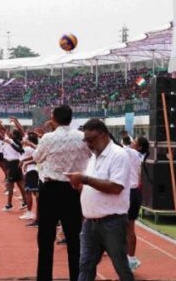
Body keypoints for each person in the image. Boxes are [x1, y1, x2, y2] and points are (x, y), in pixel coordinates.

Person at [65, 119, 134, 281]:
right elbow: (95, 184)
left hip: (113, 222)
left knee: (121, 267)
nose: (88, 144)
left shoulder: (118, 155)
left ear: (103, 135)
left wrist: (84, 179)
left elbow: (116, 187)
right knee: (85, 266)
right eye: (85, 140)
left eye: (90, 139)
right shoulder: (94, 157)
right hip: (90, 223)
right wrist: (80, 185)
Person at [33, 105, 91, 281]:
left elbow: (37, 158)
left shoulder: (48, 138)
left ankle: (44, 277)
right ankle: (77, 277)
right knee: (75, 238)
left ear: (54, 118)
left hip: (51, 190)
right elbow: (91, 156)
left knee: (45, 239)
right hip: (74, 190)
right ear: (71, 118)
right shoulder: (82, 137)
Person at [126, 136, 149, 271]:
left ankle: (128, 260)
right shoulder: (139, 156)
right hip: (135, 193)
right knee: (130, 228)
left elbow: (115, 144)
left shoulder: (132, 153)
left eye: (135, 142)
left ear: (139, 147)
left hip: (129, 193)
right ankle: (131, 259)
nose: (132, 142)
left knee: (124, 229)